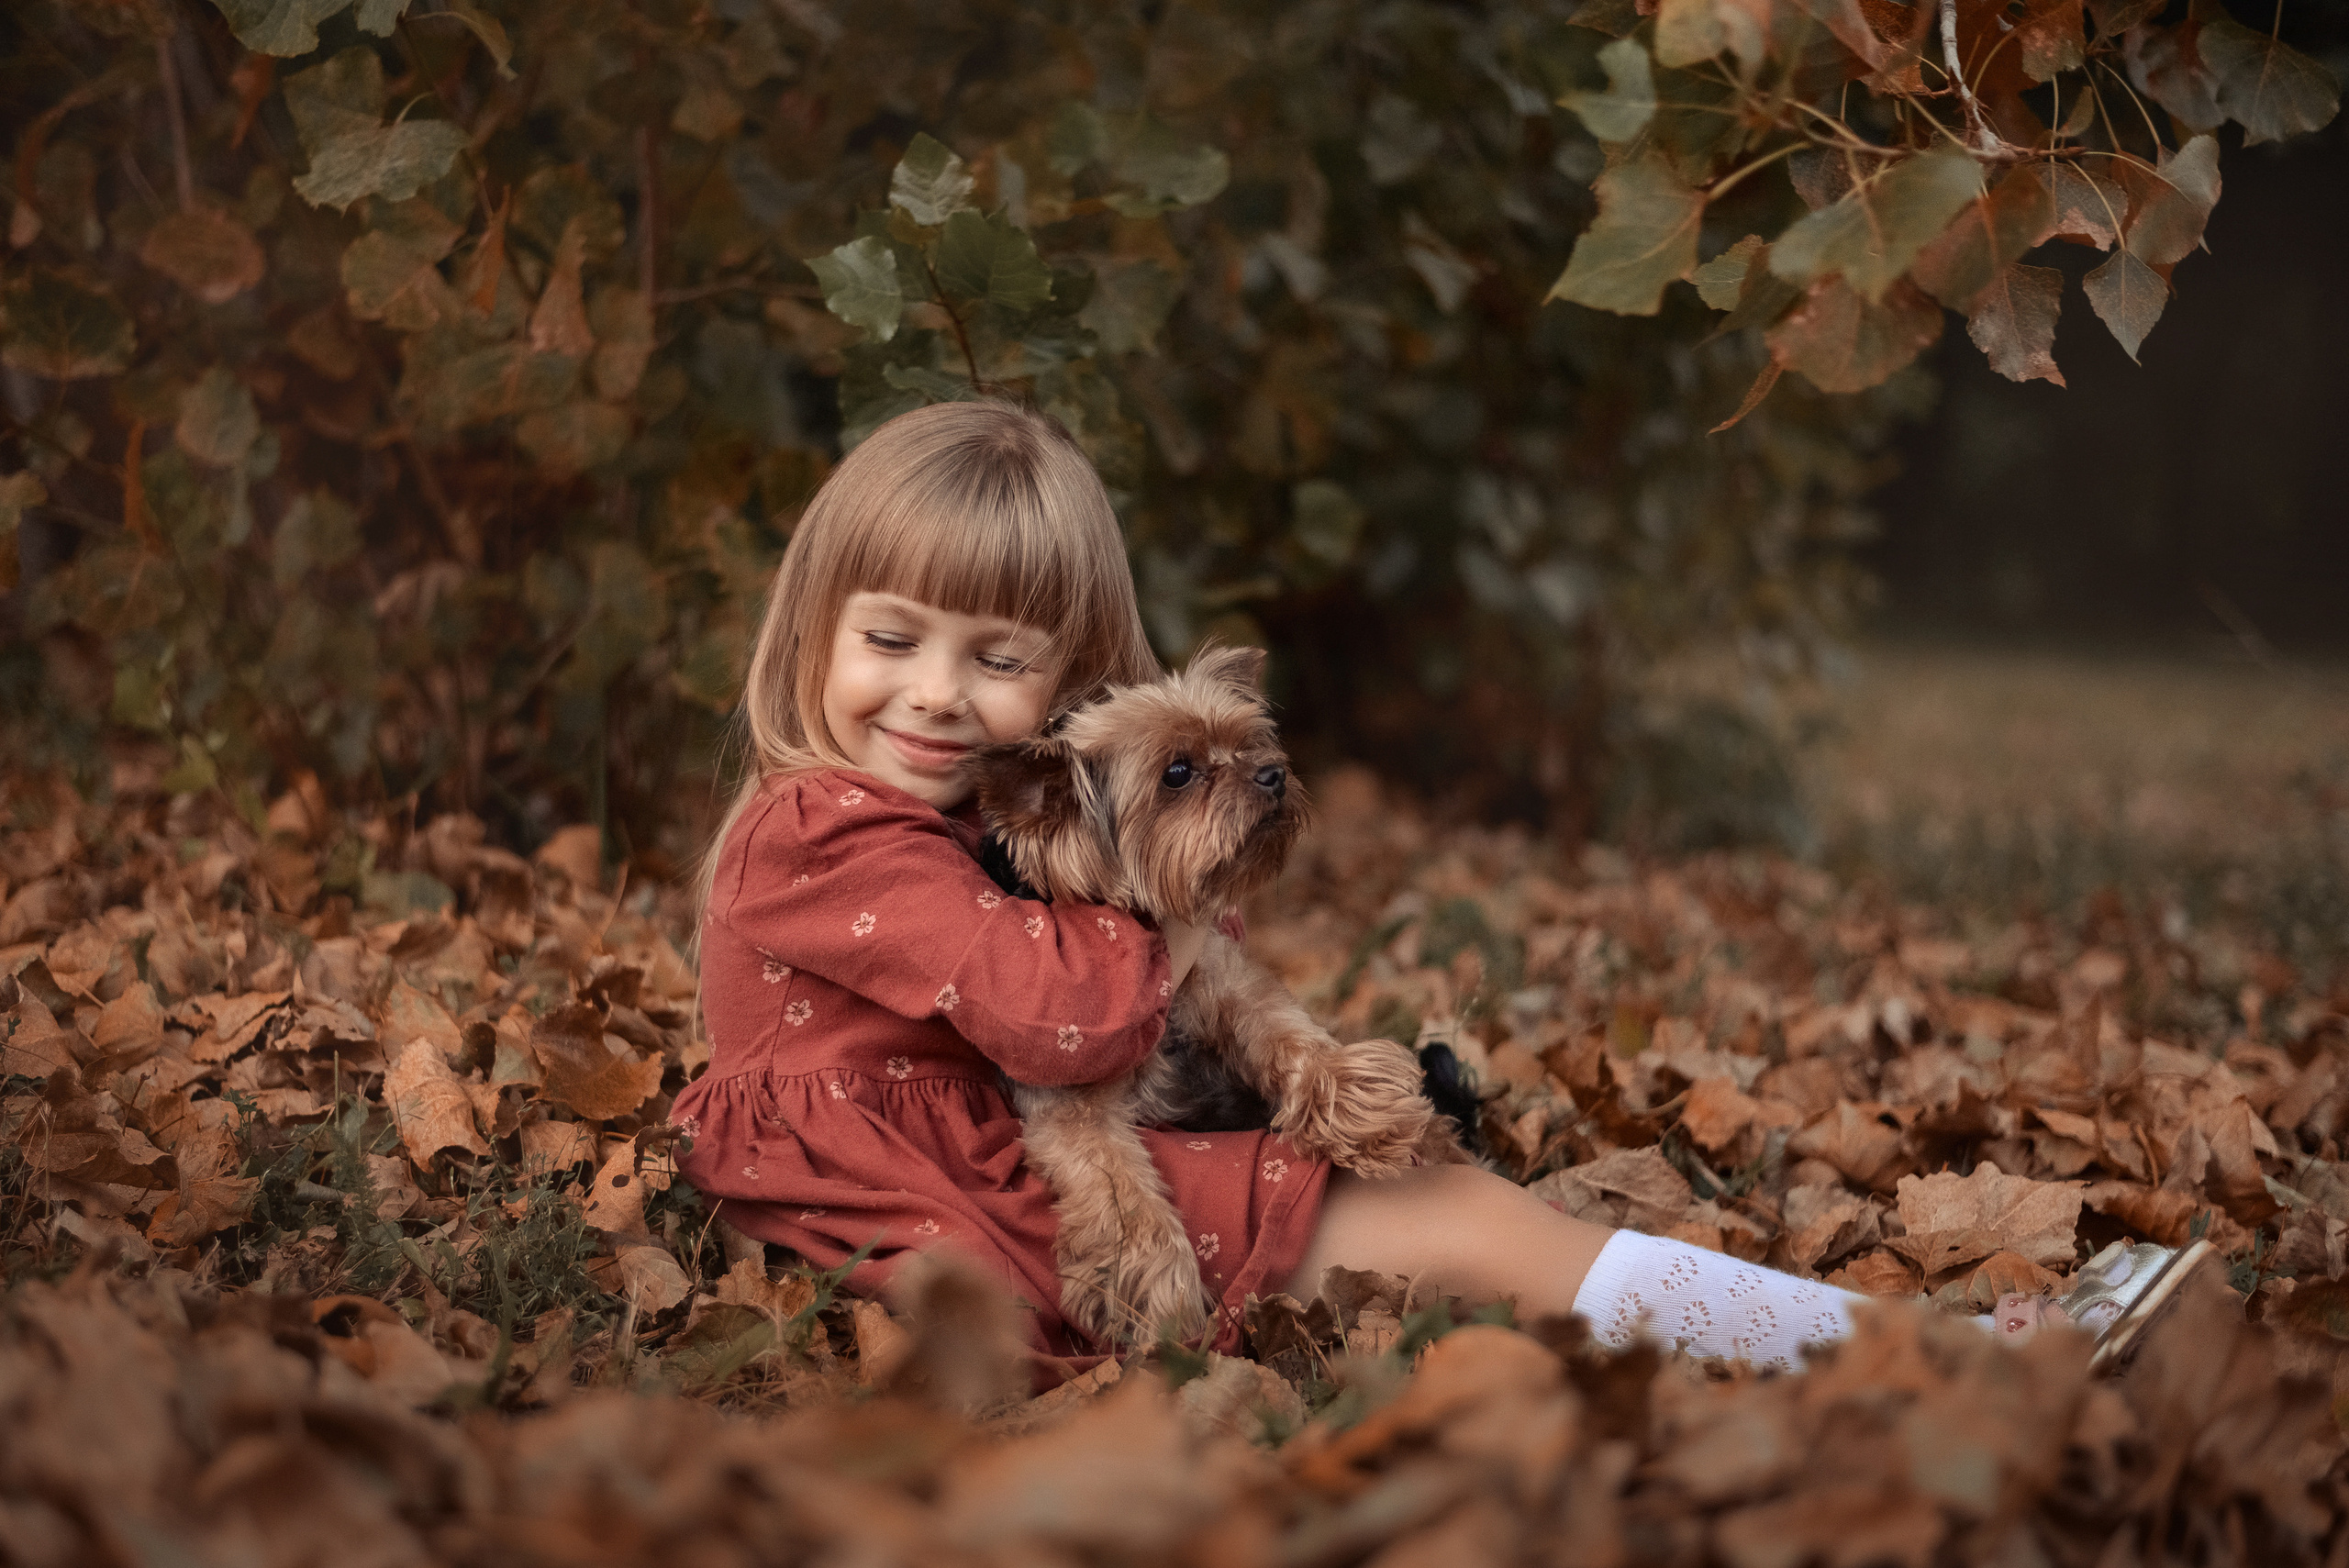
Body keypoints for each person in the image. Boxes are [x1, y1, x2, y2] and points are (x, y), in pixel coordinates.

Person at [673, 397, 2207, 1382]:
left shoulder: (971, 823)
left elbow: (1143, 990)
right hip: (953, 1214)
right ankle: (1945, 1365)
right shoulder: (813, 830)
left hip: (1014, 1172)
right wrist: (1171, 916)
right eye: (892, 638)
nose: (936, 693)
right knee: (1456, 1220)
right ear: (814, 627)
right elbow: (1062, 1013)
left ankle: (1907, 1353)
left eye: (998, 658)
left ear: (1070, 682)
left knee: (1458, 1218)